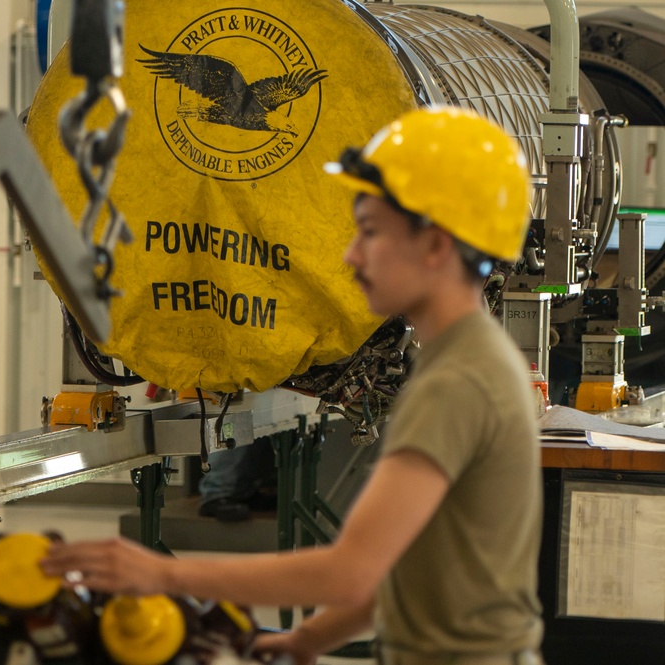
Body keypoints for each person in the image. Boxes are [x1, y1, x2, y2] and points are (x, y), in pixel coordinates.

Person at [41, 107, 544, 665]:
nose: (351, 255)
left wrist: (161, 573)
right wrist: (309, 640)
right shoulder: (471, 358)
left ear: (436, 245)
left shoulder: (457, 382)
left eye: (371, 232)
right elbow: (413, 560)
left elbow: (351, 571)